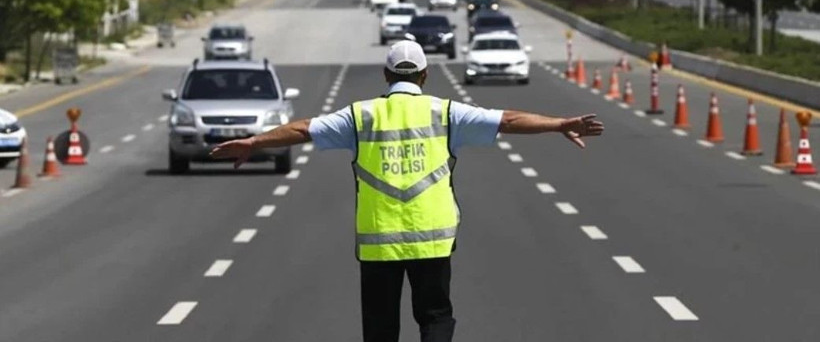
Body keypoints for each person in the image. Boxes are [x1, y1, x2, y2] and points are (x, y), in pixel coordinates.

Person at [210, 41, 604, 342]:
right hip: (432, 238)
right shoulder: (447, 112)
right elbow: (508, 119)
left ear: (385, 75)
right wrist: (558, 124)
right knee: (435, 317)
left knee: (380, 326)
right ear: (425, 75)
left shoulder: (360, 116)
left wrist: (254, 142)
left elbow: (301, 129)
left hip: (379, 242)